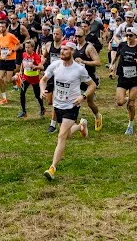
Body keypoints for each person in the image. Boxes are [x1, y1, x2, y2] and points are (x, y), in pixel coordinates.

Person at [39, 42, 94, 181]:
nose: (62, 52)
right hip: (58, 105)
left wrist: (83, 96)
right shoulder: (55, 65)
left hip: (72, 106)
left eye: (65, 49)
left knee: (61, 136)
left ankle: (52, 168)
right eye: (61, 49)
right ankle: (81, 126)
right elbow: (43, 80)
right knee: (67, 133)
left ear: (72, 51)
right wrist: (42, 90)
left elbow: (92, 85)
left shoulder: (79, 69)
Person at [110, 27, 137, 135]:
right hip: (122, 76)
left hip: (134, 78)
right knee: (119, 102)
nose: (128, 37)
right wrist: (112, 64)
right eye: (126, 35)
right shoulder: (122, 45)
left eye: (130, 35)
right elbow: (117, 55)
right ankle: (130, 96)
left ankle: (130, 125)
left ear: (135, 36)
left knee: (131, 104)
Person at [0, 21, 20, 105]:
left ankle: (16, 77)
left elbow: (18, 44)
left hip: (10, 59)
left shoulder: (11, 36)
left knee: (8, 80)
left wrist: (11, 51)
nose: (1, 28)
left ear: (7, 28)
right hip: (2, 60)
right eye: (0, 27)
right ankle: (4, 98)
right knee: (0, 78)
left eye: (3, 27)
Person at [18, 39, 45, 119]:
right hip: (25, 77)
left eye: (29, 47)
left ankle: (42, 108)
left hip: (34, 78)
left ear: (33, 47)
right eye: (26, 47)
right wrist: (20, 71)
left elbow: (42, 67)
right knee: (22, 93)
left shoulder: (36, 56)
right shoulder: (24, 54)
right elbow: (22, 63)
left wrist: (35, 67)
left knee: (37, 95)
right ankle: (23, 111)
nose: (27, 49)